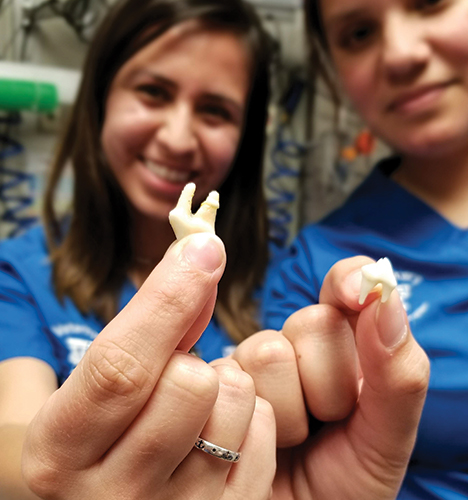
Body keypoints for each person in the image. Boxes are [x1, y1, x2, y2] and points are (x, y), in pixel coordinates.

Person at [0, 0, 272, 496]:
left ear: (244, 140)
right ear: (100, 98)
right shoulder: (21, 273)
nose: (176, 137)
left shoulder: (279, 278)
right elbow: (12, 440)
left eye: (214, 110)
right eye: (153, 92)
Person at [261, 0, 468, 498]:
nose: (400, 54)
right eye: (359, 33)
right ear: (333, 71)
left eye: (430, 3)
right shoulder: (318, 276)